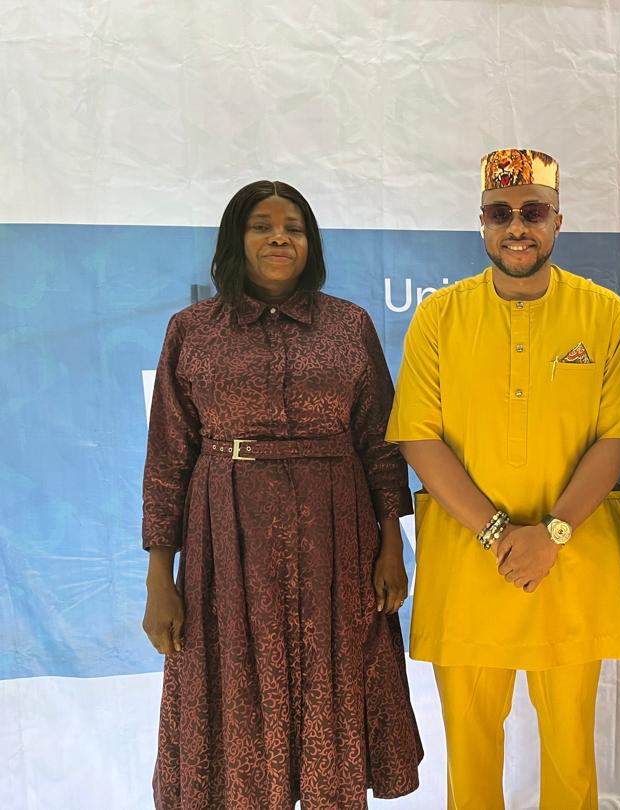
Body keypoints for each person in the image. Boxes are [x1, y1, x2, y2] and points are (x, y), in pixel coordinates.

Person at [141, 180, 422, 809]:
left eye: (293, 228)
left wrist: (391, 547)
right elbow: (167, 459)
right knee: (236, 690)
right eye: (262, 226)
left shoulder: (349, 325)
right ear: (235, 241)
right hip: (226, 544)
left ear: (310, 243)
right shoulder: (191, 330)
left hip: (337, 540)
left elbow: (380, 444)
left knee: (335, 680)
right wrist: (160, 576)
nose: (279, 238)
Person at [386, 148, 620, 810]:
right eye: (500, 213)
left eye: (533, 211)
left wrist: (551, 534)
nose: (517, 227)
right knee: (471, 758)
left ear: (558, 221)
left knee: (571, 759)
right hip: (470, 569)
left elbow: (618, 436)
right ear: (482, 223)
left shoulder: (604, 315)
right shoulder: (440, 318)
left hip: (571, 565)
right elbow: (418, 436)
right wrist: (501, 533)